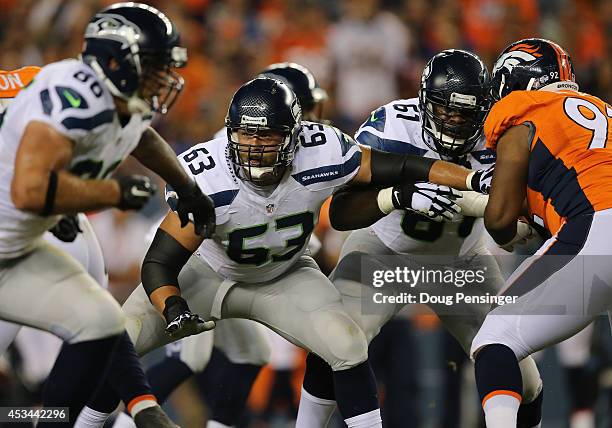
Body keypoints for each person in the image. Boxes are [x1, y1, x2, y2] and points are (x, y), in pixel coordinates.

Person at [101, 75, 493, 428]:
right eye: (246, 135)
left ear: (293, 136)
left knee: (347, 343)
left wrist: (472, 179)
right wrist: (173, 308)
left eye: (267, 136)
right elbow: (159, 262)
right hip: (207, 272)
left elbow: (409, 166)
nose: (254, 148)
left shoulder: (321, 153)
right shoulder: (207, 177)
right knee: (114, 343)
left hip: (284, 275)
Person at [295, 49, 545, 428]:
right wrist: (393, 195)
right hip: (384, 253)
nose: (456, 122)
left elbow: (521, 211)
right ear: (424, 100)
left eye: (466, 113)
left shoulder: (501, 136)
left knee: (525, 380)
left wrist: (521, 223)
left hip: (462, 264)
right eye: (447, 110)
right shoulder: (392, 127)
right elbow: (342, 212)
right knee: (334, 344)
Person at [0, 3, 215, 424]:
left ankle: (52, 421)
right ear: (116, 61)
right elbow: (28, 189)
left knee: (99, 319)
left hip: (24, 239)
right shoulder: (67, 98)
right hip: (25, 221)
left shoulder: (117, 100)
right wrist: (110, 191)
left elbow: (140, 136)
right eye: (154, 66)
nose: (162, 79)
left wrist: (189, 188)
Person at [134, 62, 328, 428]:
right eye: (309, 108)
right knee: (185, 357)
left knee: (252, 353)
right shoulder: (249, 154)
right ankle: (113, 420)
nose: (316, 119)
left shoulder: (277, 150)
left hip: (220, 258)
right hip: (189, 257)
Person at [469, 38, 612, 428]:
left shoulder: (522, 110)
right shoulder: (603, 110)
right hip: (596, 223)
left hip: (596, 229)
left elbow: (499, 222)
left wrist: (516, 224)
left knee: (495, 338)